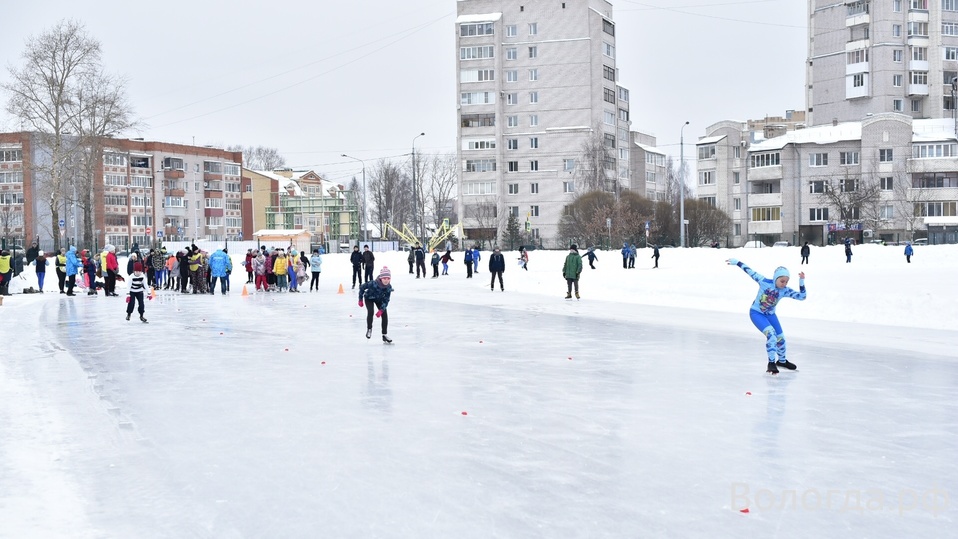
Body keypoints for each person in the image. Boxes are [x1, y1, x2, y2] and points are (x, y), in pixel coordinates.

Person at [726, 258, 806, 374]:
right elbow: (750, 271)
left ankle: (782, 361)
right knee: (772, 335)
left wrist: (801, 282)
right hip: (756, 313)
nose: (784, 284)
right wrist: (738, 263)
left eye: (786, 282)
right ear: (775, 279)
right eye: (782, 281)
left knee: (781, 338)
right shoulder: (764, 281)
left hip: (770, 315)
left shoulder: (785, 290)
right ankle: (771, 363)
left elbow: (802, 297)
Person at [359, 266, 393, 343]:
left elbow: (386, 299)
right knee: (370, 311)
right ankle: (369, 329)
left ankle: (384, 335)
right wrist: (360, 299)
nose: (386, 280)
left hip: (379, 299)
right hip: (369, 298)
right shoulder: (373, 283)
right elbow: (362, 287)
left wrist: (381, 310)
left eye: (388, 278)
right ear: (381, 278)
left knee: (384, 314)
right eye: (384, 278)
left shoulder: (388, 287)